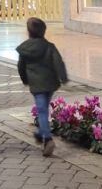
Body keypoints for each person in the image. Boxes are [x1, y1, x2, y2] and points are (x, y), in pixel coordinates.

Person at [17, 17, 68, 157]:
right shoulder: (49, 47)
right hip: (50, 83)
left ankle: (48, 138)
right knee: (43, 109)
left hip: (36, 84)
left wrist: (24, 79)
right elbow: (58, 62)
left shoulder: (25, 49)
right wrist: (63, 77)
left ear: (29, 32)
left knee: (42, 111)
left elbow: (20, 67)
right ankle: (41, 134)